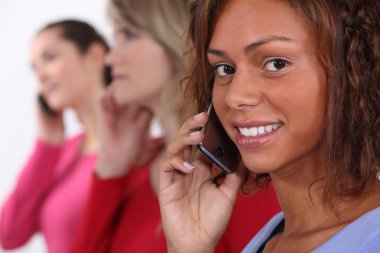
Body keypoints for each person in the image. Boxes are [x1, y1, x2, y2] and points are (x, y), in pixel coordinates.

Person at [158, 0, 380, 252]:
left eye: (276, 64)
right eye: (225, 69)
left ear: (356, 69)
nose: (235, 97)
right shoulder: (271, 236)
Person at [70, 0, 280, 252]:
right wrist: (111, 164)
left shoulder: (239, 172)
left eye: (128, 34)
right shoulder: (136, 166)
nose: (111, 57)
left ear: (176, 37)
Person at [0, 20, 111, 253]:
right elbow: (9, 235)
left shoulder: (140, 152)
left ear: (95, 56)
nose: (40, 76)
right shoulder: (60, 154)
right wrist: (47, 146)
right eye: (35, 68)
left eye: (49, 58)